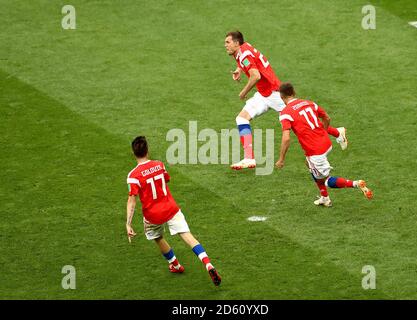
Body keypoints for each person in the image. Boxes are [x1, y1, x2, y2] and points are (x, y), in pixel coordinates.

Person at [224, 31, 347, 170]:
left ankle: (336, 134)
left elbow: (255, 75)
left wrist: (243, 92)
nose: (225, 45)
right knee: (241, 119)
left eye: (227, 42)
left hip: (274, 94)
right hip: (264, 95)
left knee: (303, 122)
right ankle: (249, 158)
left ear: (236, 43)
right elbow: (248, 61)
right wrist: (239, 69)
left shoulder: (244, 53)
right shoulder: (243, 49)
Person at [126, 136, 221, 286]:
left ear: (133, 153)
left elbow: (132, 200)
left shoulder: (133, 176)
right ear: (148, 150)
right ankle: (207, 263)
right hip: (170, 208)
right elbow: (166, 179)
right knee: (188, 236)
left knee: (157, 237)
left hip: (153, 215)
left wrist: (128, 223)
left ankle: (175, 265)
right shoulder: (159, 164)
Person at [275, 83, 373, 207]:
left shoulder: (285, 113)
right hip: (326, 143)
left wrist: (281, 159)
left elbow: (286, 139)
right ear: (294, 93)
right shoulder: (310, 103)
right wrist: (324, 132)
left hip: (316, 151)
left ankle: (356, 183)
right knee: (309, 163)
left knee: (326, 179)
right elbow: (327, 118)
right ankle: (324, 198)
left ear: (281, 96)